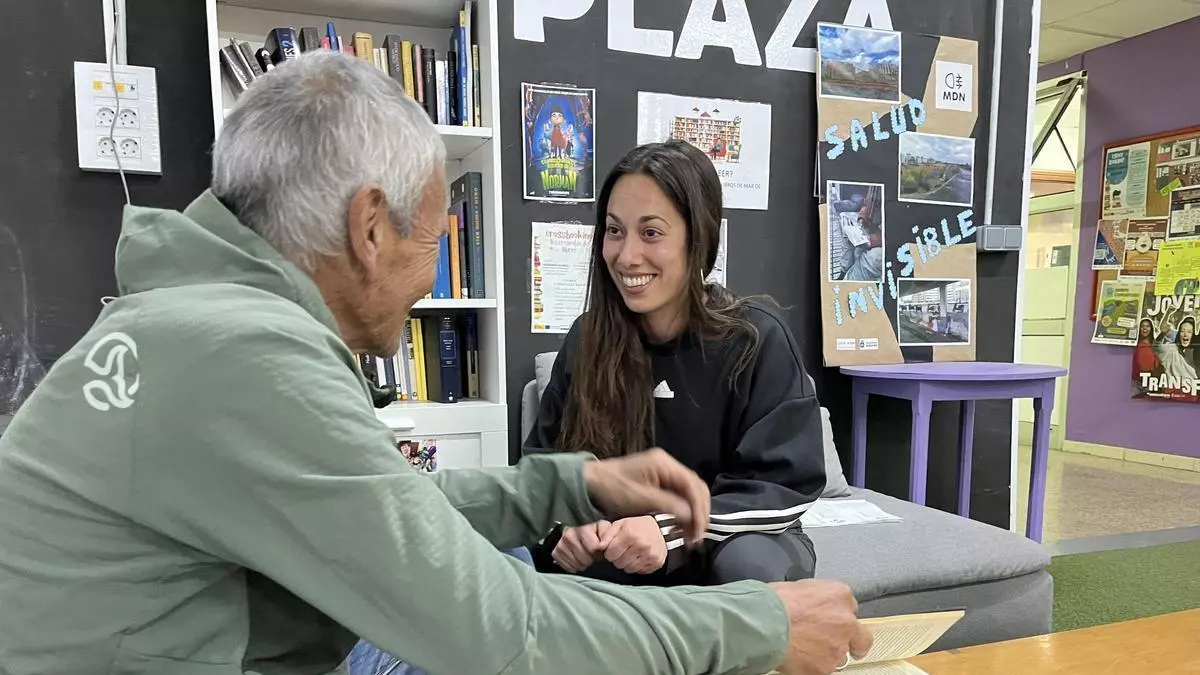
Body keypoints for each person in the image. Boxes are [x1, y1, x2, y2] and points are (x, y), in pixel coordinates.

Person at [0, 52, 872, 675]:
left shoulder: (199, 318)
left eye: (653, 232)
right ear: (369, 229)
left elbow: (387, 509)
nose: (429, 277)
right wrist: (753, 629)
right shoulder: (248, 355)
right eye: (432, 238)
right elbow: (498, 629)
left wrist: (577, 484)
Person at [524, 140, 828, 589]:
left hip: (727, 537)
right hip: (622, 545)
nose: (626, 255)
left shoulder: (756, 339)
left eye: (651, 233)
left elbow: (783, 486)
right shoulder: (587, 340)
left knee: (748, 564)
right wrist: (563, 525)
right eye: (614, 230)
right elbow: (542, 464)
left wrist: (667, 529)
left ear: (698, 239)